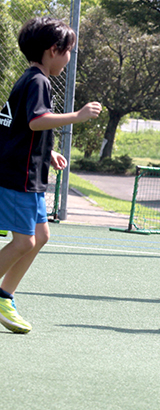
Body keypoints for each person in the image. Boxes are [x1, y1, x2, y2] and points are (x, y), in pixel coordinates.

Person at [0, 17, 102, 333]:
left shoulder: (29, 80)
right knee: (24, 241)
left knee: (41, 237)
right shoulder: (38, 82)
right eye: (68, 51)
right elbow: (36, 121)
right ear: (53, 50)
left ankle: (5, 295)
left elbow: (21, 128)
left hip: (29, 175)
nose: (69, 58)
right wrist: (78, 116)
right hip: (18, 177)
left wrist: (49, 152)